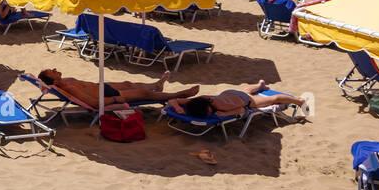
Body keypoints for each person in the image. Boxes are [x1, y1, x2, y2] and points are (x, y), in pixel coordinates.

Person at [37, 69, 199, 107]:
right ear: (53, 80)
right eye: (53, 71)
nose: (55, 69)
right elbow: (93, 102)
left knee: (128, 83)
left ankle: (156, 85)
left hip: (101, 86)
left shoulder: (65, 80)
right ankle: (179, 94)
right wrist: (115, 99)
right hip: (108, 94)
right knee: (143, 94)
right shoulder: (69, 88)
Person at [166, 81, 307, 119]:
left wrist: (226, 114)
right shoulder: (199, 100)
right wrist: (178, 107)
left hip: (244, 100)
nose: (209, 114)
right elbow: (173, 100)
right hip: (229, 93)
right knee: (245, 90)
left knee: (272, 99)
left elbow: (242, 109)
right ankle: (260, 85)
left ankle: (298, 101)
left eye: (207, 113)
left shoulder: (222, 107)